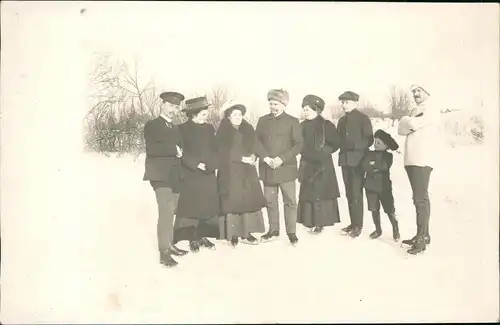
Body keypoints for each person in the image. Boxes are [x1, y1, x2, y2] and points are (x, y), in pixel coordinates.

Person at [143, 91, 188, 268]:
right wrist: (173, 149)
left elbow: (181, 149)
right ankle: (164, 252)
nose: (173, 109)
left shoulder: (175, 127)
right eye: (170, 105)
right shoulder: (152, 125)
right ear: (162, 105)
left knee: (172, 210)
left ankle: (170, 244)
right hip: (160, 175)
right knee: (165, 211)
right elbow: (152, 148)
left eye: (176, 107)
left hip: (175, 174)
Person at [255, 89, 304, 245]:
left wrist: (282, 159)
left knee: (290, 201)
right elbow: (256, 142)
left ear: (284, 104)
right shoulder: (262, 121)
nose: (273, 107)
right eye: (271, 104)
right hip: (267, 168)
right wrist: (265, 158)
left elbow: (298, 145)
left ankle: (291, 233)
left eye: (276, 104)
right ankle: (273, 230)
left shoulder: (292, 121)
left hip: (286, 169)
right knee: (270, 201)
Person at [398, 84, 442, 255]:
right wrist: (407, 122)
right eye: (414, 91)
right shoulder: (415, 109)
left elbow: (413, 125)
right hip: (412, 159)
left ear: (427, 92)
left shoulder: (431, 109)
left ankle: (421, 239)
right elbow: (401, 130)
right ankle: (423, 235)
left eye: (419, 91)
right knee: (421, 197)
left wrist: (405, 120)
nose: (415, 94)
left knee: (419, 199)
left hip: (422, 159)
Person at [173, 96, 220, 253]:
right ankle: (193, 238)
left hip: (207, 173)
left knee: (206, 207)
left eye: (206, 111)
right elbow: (179, 153)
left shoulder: (209, 128)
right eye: (202, 112)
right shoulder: (181, 129)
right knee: (193, 207)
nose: (205, 114)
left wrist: (212, 164)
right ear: (193, 113)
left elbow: (215, 149)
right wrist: (195, 164)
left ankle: (204, 236)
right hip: (191, 173)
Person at [216, 104, 267, 247]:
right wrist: (241, 158)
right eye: (235, 115)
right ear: (228, 117)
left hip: (247, 172)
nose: (238, 117)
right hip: (230, 171)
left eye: (240, 114)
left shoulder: (248, 129)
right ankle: (232, 235)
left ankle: (246, 233)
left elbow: (256, 146)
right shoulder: (223, 131)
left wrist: (255, 157)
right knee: (232, 202)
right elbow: (222, 151)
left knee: (247, 201)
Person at [297, 94, 342, 234]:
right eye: (304, 109)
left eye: (308, 109)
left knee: (321, 193)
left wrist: (325, 151)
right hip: (307, 162)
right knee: (309, 191)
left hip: (323, 165)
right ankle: (308, 220)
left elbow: (335, 143)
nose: (305, 112)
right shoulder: (301, 126)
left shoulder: (326, 125)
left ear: (317, 110)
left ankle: (320, 222)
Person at [337, 91, 374, 238]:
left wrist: (354, 145)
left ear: (355, 103)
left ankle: (358, 226)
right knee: (349, 194)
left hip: (358, 161)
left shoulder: (363, 119)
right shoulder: (341, 121)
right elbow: (338, 139)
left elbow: (369, 140)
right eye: (342, 102)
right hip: (345, 161)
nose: (343, 105)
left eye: (346, 102)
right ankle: (353, 223)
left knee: (356, 194)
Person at [360, 129, 400, 241]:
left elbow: (384, 166)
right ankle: (378, 230)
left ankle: (395, 227)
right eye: (375, 142)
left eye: (379, 143)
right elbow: (364, 166)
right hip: (370, 187)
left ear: (386, 145)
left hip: (384, 187)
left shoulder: (388, 156)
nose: (375, 145)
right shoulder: (369, 153)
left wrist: (372, 164)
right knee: (374, 209)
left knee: (389, 209)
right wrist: (373, 166)